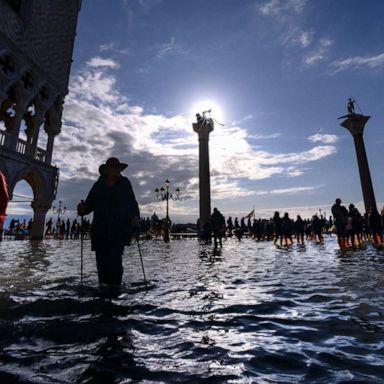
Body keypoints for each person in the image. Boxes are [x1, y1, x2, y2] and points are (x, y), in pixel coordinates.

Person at [77, 157, 140, 287]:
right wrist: (82, 209)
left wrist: (135, 217)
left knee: (115, 261)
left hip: (119, 230)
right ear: (107, 170)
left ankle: (115, 288)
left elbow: (132, 203)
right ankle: (103, 289)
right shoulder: (98, 185)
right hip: (100, 231)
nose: (118, 171)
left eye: (119, 169)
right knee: (101, 263)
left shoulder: (124, 183)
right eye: (116, 168)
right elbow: (89, 205)